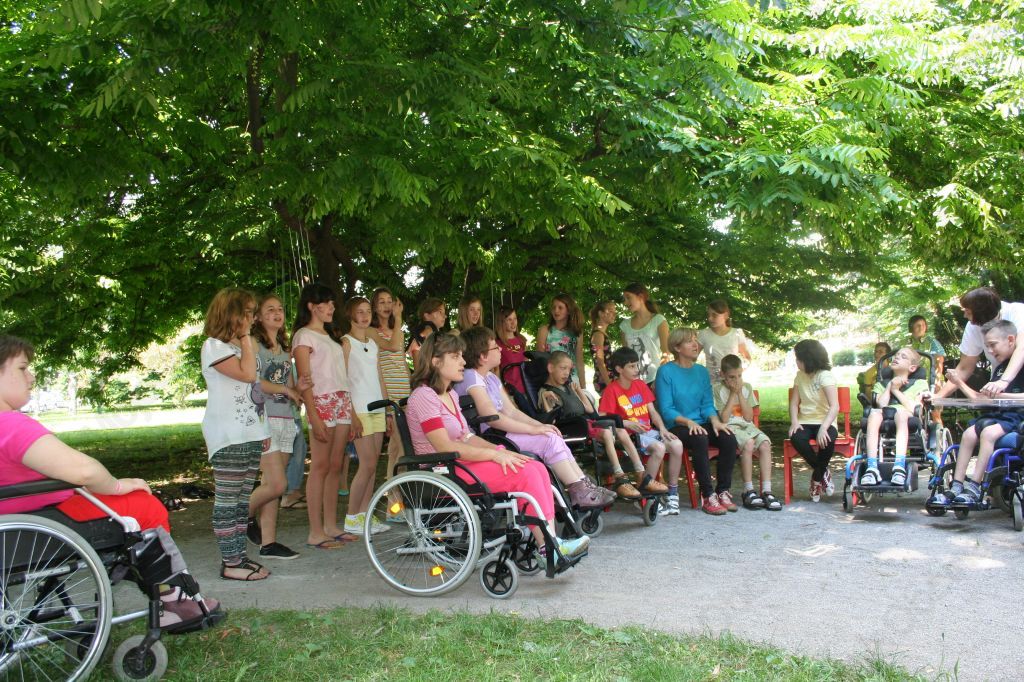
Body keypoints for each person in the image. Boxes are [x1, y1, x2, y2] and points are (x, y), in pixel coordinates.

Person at [0, 335, 224, 629]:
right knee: (143, 505)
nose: (31, 376)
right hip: (42, 523)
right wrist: (118, 485)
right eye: (22, 368)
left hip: (18, 522)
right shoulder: (10, 424)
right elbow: (84, 472)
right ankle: (172, 600)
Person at [406, 332, 590, 561]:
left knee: (535, 466)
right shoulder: (424, 396)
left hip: (459, 462)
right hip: (442, 469)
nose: (463, 361)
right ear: (435, 361)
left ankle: (551, 543)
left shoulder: (450, 394)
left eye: (461, 355)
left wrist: (500, 451)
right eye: (455, 356)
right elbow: (444, 445)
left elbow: (466, 437)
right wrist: (492, 456)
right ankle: (548, 548)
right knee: (524, 474)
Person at [455, 327, 615, 508]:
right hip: (491, 437)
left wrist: (540, 426)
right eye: (495, 347)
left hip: (502, 432)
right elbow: (492, 417)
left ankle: (582, 484)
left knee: (551, 434)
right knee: (548, 441)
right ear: (483, 356)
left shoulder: (491, 378)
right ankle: (579, 489)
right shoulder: (471, 377)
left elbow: (512, 411)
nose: (500, 349)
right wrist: (534, 429)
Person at [199, 287, 273, 580]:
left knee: (243, 501)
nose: (253, 318)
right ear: (232, 314)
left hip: (249, 432)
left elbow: (254, 389)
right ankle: (231, 563)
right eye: (248, 313)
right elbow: (247, 375)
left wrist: (262, 428)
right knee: (228, 501)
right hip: (229, 435)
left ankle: (239, 557)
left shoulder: (243, 345)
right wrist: (245, 338)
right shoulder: (214, 347)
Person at [929, 320, 1024, 508]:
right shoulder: (1000, 369)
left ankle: (975, 486)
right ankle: (956, 486)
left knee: (987, 433)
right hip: (996, 416)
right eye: (986, 346)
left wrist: (1001, 394)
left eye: (993, 345)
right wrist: (958, 382)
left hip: (1016, 416)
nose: (989, 350)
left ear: (1011, 340)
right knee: (968, 434)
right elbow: (979, 398)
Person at [292, 283, 352, 549]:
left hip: (341, 400)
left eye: (332, 304)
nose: (331, 308)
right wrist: (313, 416)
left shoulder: (330, 335)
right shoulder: (303, 336)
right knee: (320, 466)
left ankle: (330, 526)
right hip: (321, 402)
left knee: (336, 465)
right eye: (325, 303)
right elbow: (305, 381)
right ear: (311, 306)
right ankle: (315, 531)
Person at [538, 351, 644, 499]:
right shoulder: (545, 392)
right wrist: (545, 399)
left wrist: (578, 392)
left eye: (569, 369)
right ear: (550, 368)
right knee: (607, 432)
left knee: (621, 429)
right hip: (571, 427)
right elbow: (550, 419)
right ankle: (619, 476)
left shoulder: (569, 387)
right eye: (563, 368)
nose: (566, 373)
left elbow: (589, 410)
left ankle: (640, 472)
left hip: (585, 422)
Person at [656, 329, 739, 515]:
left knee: (728, 437)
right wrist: (688, 422)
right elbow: (666, 409)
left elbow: (707, 404)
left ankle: (722, 491)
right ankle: (707, 495)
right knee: (700, 438)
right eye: (689, 341)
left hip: (701, 423)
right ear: (677, 348)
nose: (696, 345)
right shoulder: (666, 371)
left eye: (695, 340)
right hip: (677, 425)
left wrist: (715, 421)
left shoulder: (701, 372)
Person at [341, 295, 404, 535]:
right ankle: (351, 516)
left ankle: (365, 514)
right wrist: (351, 415)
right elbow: (343, 381)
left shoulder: (373, 344)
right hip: (359, 409)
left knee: (373, 465)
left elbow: (380, 378)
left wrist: (387, 410)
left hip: (378, 408)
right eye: (360, 311)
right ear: (350, 315)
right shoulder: (346, 343)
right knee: (366, 465)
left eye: (368, 311)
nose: (365, 315)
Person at [249, 293, 305, 560]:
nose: (277, 313)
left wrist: (298, 388)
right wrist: (285, 389)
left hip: (286, 418)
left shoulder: (284, 348)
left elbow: (289, 385)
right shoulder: (253, 344)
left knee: (272, 484)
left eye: (280, 309)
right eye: (270, 309)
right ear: (258, 317)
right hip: (264, 419)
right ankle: (240, 516)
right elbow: (253, 381)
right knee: (278, 484)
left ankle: (268, 543)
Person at [600, 347, 680, 512]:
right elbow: (601, 418)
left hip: (648, 432)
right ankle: (645, 492)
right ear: (619, 369)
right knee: (659, 448)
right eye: (631, 366)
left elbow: (653, 412)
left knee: (677, 445)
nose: (636, 369)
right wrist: (626, 423)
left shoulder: (641, 385)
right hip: (630, 436)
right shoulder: (611, 390)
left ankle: (672, 493)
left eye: (637, 365)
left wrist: (663, 429)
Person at [713, 354, 781, 510]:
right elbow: (724, 418)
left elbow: (749, 417)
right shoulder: (717, 389)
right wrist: (732, 394)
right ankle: (748, 490)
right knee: (749, 444)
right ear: (722, 375)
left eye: (739, 376)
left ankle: (767, 490)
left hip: (747, 426)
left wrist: (739, 393)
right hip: (730, 426)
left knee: (765, 444)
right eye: (732, 377)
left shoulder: (747, 387)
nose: (736, 380)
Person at [934, 287, 1024, 399]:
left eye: (968, 312)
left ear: (982, 312)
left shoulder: (1017, 312)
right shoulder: (973, 326)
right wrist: (938, 397)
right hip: (1000, 381)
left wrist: (1004, 381)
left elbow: (1021, 348)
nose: (964, 316)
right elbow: (964, 367)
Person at [859, 347, 928, 487]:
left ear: (912, 367)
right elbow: (881, 404)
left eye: (903, 356)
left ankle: (899, 465)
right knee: (873, 414)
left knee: (901, 414)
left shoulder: (920, 384)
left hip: (906, 414)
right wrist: (890, 385)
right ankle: (872, 467)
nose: (897, 357)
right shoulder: (881, 384)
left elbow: (913, 408)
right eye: (896, 355)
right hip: (884, 413)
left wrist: (896, 391)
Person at [372, 287, 412, 521]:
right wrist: (398, 319)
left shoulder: (398, 331)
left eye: (390, 301)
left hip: (404, 393)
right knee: (400, 451)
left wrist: (411, 391)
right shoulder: (372, 331)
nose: (387, 305)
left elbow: (402, 361)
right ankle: (394, 506)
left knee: (399, 450)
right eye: (382, 302)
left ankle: (395, 506)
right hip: (389, 395)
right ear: (374, 306)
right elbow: (393, 347)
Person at [787, 339, 840, 503]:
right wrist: (794, 422)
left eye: (799, 359)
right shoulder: (799, 376)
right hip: (805, 421)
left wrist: (824, 427)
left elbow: (834, 406)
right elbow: (794, 403)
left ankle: (816, 479)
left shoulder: (825, 376)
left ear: (809, 359)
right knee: (796, 437)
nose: (796, 362)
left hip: (825, 421)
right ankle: (823, 472)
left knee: (826, 439)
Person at [619, 283, 669, 386]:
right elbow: (625, 357)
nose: (625, 302)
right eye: (624, 299)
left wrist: (659, 379)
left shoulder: (659, 320)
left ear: (640, 297)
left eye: (628, 297)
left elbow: (666, 352)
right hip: (634, 382)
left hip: (656, 380)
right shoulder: (624, 325)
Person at [697, 298, 752, 385]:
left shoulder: (737, 333)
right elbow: (691, 358)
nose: (710, 318)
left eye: (714, 315)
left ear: (726, 315)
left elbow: (747, 358)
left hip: (732, 385)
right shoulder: (703, 334)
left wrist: (736, 373)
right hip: (711, 385)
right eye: (708, 315)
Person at [537, 293, 586, 388]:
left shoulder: (577, 333)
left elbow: (579, 360)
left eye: (560, 307)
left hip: (572, 379)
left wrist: (583, 387)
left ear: (568, 310)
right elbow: (540, 359)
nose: (556, 310)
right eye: (554, 307)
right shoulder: (545, 330)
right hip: (552, 379)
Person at [495, 305, 528, 394]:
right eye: (509, 320)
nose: (513, 323)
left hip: (526, 389)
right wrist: (501, 391)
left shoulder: (522, 340)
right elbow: (496, 371)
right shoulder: (497, 344)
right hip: (510, 391)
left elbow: (527, 365)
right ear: (502, 322)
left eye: (515, 319)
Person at [589, 300, 616, 394]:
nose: (614, 314)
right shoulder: (598, 335)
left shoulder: (601, 333)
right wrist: (610, 385)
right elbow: (600, 362)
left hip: (608, 378)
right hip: (604, 380)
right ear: (601, 313)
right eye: (611, 311)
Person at [407, 297, 446, 362]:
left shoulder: (438, 334)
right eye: (440, 312)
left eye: (444, 313)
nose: (445, 316)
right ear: (427, 316)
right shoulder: (426, 331)